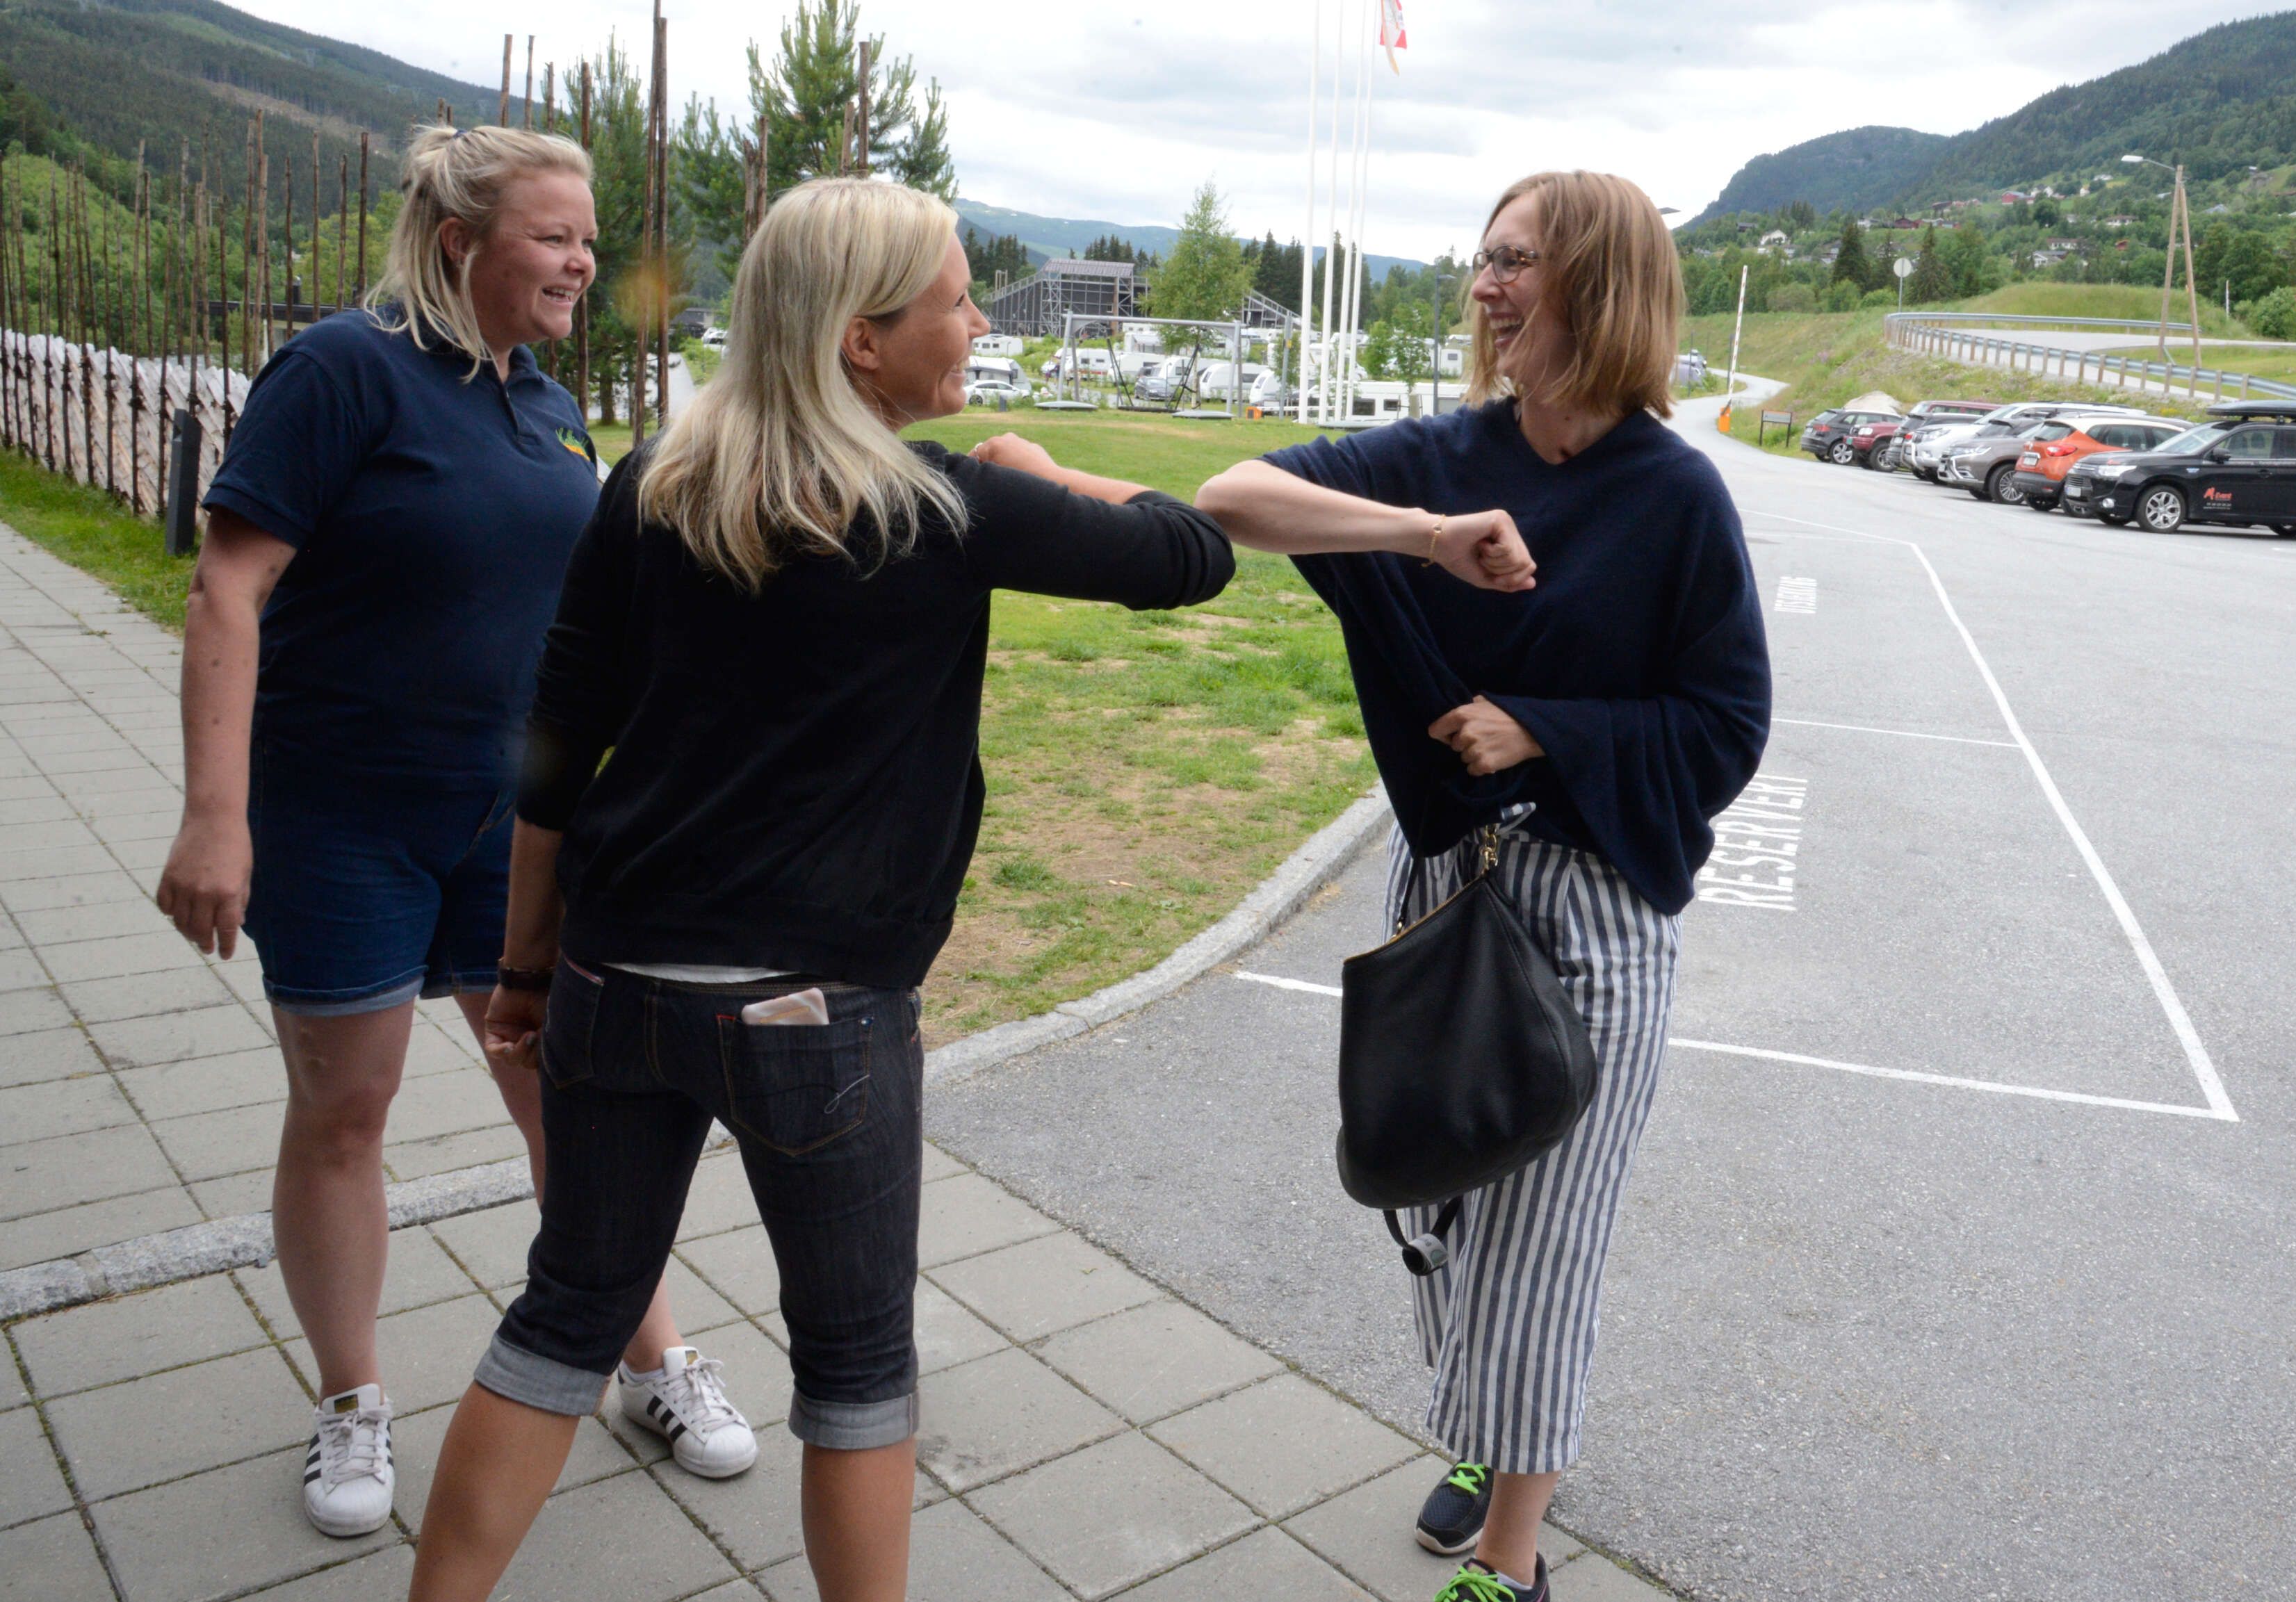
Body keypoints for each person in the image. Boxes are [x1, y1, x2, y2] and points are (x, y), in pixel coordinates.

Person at [401, 175, 1536, 1602]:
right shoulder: (945, 506)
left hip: (614, 985)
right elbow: (1189, 557)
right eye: (956, 300)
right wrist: (1044, 472)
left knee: (564, 1316)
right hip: (820, 1016)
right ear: (861, 340)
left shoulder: (655, 484)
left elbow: (558, 751)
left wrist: (523, 970)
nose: (982, 321)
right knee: (856, 1367)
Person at [153, 124, 745, 1541]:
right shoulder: (341, 371)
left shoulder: (546, 404)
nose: (583, 261)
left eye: (589, 239)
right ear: (459, 241)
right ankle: (351, 1397)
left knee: (569, 1105)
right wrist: (214, 815)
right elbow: (227, 587)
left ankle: (648, 1360)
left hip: (511, 829)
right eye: (553, 236)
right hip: (340, 814)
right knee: (346, 1109)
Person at [1195, 170, 1770, 1602]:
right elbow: (1231, 498)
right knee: (1441, 1207)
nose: (1484, 286)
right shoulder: (1445, 455)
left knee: (1545, 1238)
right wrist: (1418, 532)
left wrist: (1545, 729)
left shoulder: (1676, 497)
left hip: (1594, 912)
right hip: (1451, 890)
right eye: (1484, 258)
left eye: (1515, 260)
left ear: (1599, 284)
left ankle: (1511, 1560)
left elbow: (1726, 727)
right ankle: (1488, 1432)